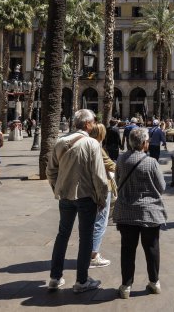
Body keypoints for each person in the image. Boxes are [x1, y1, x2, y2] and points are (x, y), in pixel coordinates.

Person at [46, 109, 109, 293]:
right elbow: (98, 175)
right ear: (88, 124)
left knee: (62, 235)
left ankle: (55, 278)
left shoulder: (60, 142)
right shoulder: (92, 144)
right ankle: (82, 281)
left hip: (65, 196)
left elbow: (51, 171)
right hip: (86, 197)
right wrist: (102, 198)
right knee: (86, 237)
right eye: (93, 121)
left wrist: (59, 188)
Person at [113, 127, 167, 299]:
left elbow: (117, 180)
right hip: (149, 213)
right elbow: (162, 187)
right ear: (144, 143)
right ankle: (154, 282)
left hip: (126, 212)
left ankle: (126, 286)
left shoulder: (121, 159)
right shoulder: (151, 162)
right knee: (151, 248)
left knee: (127, 249)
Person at [88, 123, 117, 269]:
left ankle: (88, 253)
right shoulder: (97, 147)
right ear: (101, 134)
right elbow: (111, 165)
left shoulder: (87, 145)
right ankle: (93, 255)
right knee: (101, 221)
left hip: (88, 187)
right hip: (102, 187)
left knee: (91, 221)